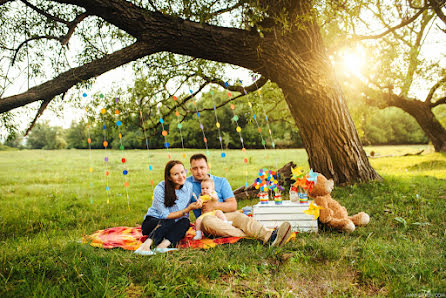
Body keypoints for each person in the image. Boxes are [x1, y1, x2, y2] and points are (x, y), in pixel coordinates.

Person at [186, 153, 292, 247]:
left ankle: (269, 236)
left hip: (226, 217)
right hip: (209, 221)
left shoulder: (221, 181)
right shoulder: (186, 184)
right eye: (195, 168)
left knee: (239, 216)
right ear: (191, 170)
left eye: (202, 167)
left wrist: (215, 205)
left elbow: (233, 205)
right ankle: (255, 236)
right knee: (207, 221)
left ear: (208, 167)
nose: (199, 171)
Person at [135, 160, 202, 255]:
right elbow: (164, 215)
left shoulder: (188, 186)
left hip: (173, 224)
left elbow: (194, 200)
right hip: (154, 222)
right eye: (176, 174)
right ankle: (145, 246)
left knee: (185, 222)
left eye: (182, 172)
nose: (181, 176)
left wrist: (198, 202)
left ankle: (162, 247)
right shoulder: (160, 189)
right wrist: (187, 209)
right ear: (169, 177)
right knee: (169, 220)